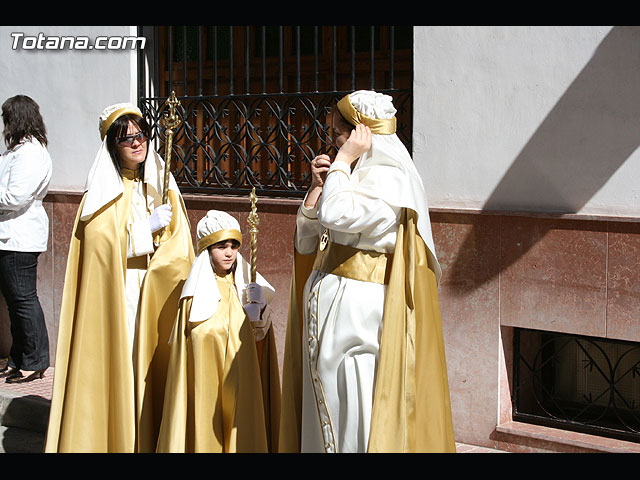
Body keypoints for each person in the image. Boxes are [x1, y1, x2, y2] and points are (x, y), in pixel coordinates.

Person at [279, 90, 456, 453]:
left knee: (353, 410)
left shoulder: (392, 181)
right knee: (327, 405)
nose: (333, 142)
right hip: (331, 317)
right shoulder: (352, 176)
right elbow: (309, 239)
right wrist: (316, 189)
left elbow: (337, 215)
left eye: (338, 134)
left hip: (359, 322)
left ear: (362, 134)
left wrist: (343, 161)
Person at [45, 102, 194, 453]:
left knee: (154, 370)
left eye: (140, 135)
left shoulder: (161, 183)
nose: (136, 144)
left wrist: (167, 235)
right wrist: (147, 228)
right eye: (126, 139)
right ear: (113, 145)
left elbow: (181, 242)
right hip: (121, 293)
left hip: (155, 294)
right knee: (125, 366)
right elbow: (101, 245)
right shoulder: (101, 194)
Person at [157, 210, 280, 453]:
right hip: (206, 384)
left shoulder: (245, 287)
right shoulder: (193, 298)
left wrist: (261, 310)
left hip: (242, 384)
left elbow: (259, 341)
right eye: (221, 246)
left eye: (234, 246)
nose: (229, 253)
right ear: (207, 249)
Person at [0, 95, 52, 384]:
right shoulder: (16, 152)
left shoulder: (31, 153)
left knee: (23, 301)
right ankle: (18, 359)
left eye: (7, 118)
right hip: (8, 235)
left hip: (19, 236)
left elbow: (15, 196)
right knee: (14, 302)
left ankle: (35, 361)